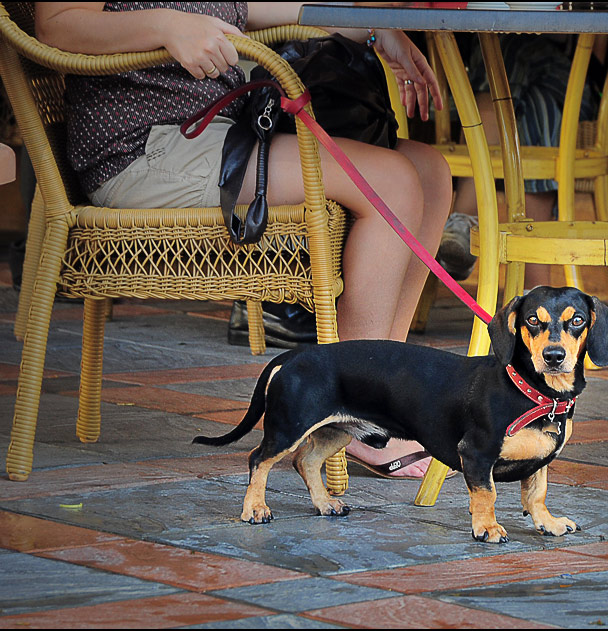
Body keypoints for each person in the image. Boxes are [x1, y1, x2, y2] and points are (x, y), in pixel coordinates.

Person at [35, 2, 453, 479]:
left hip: (219, 131)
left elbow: (271, 6)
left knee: (428, 172)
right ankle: (354, 414)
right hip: (147, 148)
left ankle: (379, 404)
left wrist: (377, 27)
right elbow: (55, 23)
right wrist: (166, 26)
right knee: (393, 181)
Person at [436, 34, 600, 286]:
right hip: (528, 95)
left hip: (573, 78)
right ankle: (535, 291)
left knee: (503, 49)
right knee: (537, 104)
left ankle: (464, 221)